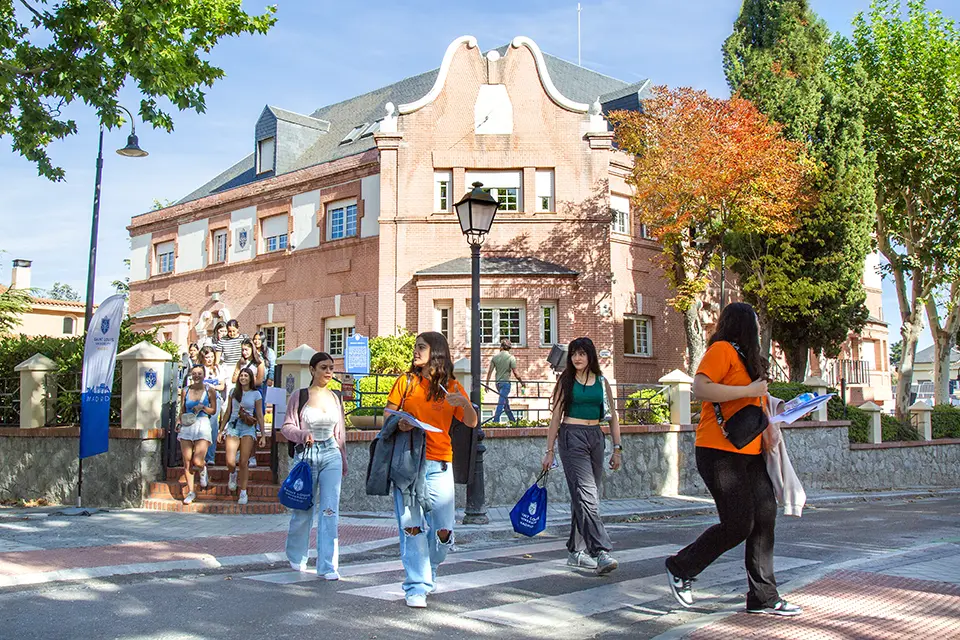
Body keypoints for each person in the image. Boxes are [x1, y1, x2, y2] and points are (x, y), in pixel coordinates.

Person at [664, 302, 802, 617]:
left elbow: (754, 405)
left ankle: (763, 597)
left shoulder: (748, 360)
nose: (758, 329)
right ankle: (681, 567)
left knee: (765, 517)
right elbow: (700, 387)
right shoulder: (722, 350)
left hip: (751, 453)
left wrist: (783, 408)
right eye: (754, 322)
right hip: (718, 452)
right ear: (743, 324)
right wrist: (749, 389)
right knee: (739, 523)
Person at [383, 331, 478, 609]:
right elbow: (388, 415)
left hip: (440, 466)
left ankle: (430, 567)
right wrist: (399, 423)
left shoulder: (451, 386)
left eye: (420, 347)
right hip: (409, 465)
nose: (415, 351)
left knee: (444, 531)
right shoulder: (406, 382)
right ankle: (416, 585)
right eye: (415, 347)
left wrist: (465, 406)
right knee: (411, 528)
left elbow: (471, 423)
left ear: (435, 352)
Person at [541, 337, 622, 576]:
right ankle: (600, 551)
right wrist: (549, 451)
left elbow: (613, 416)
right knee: (587, 494)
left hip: (595, 436)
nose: (577, 358)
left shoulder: (602, 381)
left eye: (582, 354)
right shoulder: (565, 381)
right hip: (571, 436)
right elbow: (555, 417)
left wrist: (617, 448)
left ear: (590, 356)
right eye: (574, 354)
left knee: (587, 494)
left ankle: (575, 552)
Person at [280, 352, 348, 580]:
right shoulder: (299, 397)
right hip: (306, 456)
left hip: (331, 454)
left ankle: (328, 565)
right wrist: (302, 434)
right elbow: (286, 427)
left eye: (331, 367)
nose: (328, 372)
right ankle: (297, 556)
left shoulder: (335, 397)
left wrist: (343, 458)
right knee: (303, 511)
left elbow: (340, 433)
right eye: (323, 367)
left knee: (330, 511)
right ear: (312, 370)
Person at [218, 368, 266, 505]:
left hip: (248, 428)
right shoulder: (234, 392)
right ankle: (232, 474)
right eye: (241, 375)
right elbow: (228, 412)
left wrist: (262, 434)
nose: (243, 378)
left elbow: (260, 415)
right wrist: (221, 430)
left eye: (246, 375)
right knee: (230, 461)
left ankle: (243, 491)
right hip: (233, 426)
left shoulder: (256, 394)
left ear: (251, 378)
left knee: (244, 461)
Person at [177, 364, 218, 504]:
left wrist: (203, 407)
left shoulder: (210, 390)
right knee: (187, 460)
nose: (197, 376)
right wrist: (178, 422)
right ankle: (190, 491)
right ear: (191, 375)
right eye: (194, 373)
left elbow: (213, 410)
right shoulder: (186, 390)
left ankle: (203, 470)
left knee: (197, 460)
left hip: (202, 423)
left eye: (199, 373)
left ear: (204, 375)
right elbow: (182, 409)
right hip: (187, 424)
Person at [232, 338, 264, 468]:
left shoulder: (258, 363)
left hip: (254, 394)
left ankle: (252, 455)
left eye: (246, 349)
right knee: (240, 422)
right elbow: (234, 378)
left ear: (252, 349)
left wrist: (247, 381)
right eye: (242, 350)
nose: (244, 352)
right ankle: (240, 451)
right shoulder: (240, 362)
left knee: (252, 423)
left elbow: (260, 380)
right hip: (240, 394)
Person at [486, 339, 524, 423]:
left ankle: (513, 421)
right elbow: (515, 373)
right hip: (506, 384)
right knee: (501, 402)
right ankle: (495, 421)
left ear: (502, 347)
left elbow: (490, 372)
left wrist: (487, 384)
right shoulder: (511, 358)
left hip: (498, 384)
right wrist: (522, 382)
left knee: (505, 404)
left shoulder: (495, 358)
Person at [200, 345, 226, 469]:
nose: (209, 359)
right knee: (201, 427)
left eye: (211, 357)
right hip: (202, 399)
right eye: (207, 357)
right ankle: (201, 456)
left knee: (213, 426)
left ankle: (210, 457)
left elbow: (222, 386)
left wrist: (212, 387)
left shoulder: (218, 369)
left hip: (215, 398)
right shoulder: (199, 368)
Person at [252, 331, 277, 397]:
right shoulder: (251, 351)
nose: (256, 341)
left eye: (259, 339)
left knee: (262, 401)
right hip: (252, 381)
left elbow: (272, 366)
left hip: (264, 382)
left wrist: (270, 378)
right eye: (255, 339)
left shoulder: (269, 352)